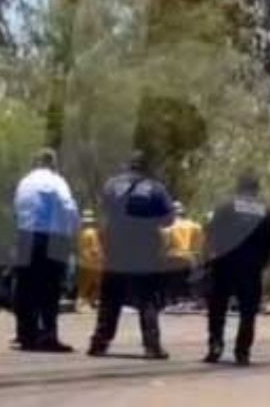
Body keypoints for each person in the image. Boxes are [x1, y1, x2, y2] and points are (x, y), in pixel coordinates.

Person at [89, 151, 175, 360]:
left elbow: (102, 212)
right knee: (147, 298)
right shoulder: (155, 188)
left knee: (110, 297)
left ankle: (99, 342)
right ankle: (152, 346)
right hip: (144, 247)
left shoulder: (112, 185)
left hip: (116, 246)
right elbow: (169, 220)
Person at [203, 173, 270, 366]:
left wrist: (209, 257)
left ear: (238, 187)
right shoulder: (266, 212)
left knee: (217, 308)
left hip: (224, 264)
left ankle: (215, 346)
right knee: (248, 311)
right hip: (251, 268)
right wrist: (265, 262)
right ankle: (242, 352)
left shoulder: (226, 207)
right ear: (256, 189)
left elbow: (210, 233)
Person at [12, 148, 80, 353]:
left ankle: (26, 334)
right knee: (50, 289)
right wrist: (73, 230)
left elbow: (16, 209)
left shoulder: (24, 182)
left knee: (25, 287)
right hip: (52, 237)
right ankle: (48, 336)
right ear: (53, 164)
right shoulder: (56, 181)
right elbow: (68, 207)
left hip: (25, 235)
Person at [163, 201, 204, 305]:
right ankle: (191, 300)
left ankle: (173, 300)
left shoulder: (167, 228)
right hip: (189, 258)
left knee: (171, 281)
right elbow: (199, 246)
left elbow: (164, 245)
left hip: (172, 257)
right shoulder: (195, 226)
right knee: (190, 280)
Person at [75, 209, 103, 310]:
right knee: (99, 283)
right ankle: (88, 302)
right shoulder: (92, 233)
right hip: (93, 262)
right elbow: (95, 249)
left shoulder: (80, 233)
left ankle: (81, 303)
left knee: (84, 285)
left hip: (82, 260)